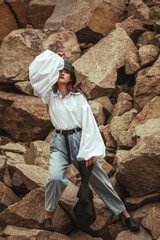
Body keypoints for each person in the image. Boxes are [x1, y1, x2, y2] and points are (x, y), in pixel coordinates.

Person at [29, 49, 140, 233]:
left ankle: (124, 215)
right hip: (59, 143)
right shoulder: (49, 94)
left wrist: (89, 152)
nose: (61, 73)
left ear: (71, 78)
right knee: (55, 178)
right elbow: (35, 73)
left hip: (80, 141)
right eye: (59, 71)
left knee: (99, 180)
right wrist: (54, 59)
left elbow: (89, 125)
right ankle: (48, 217)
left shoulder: (78, 98)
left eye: (65, 71)